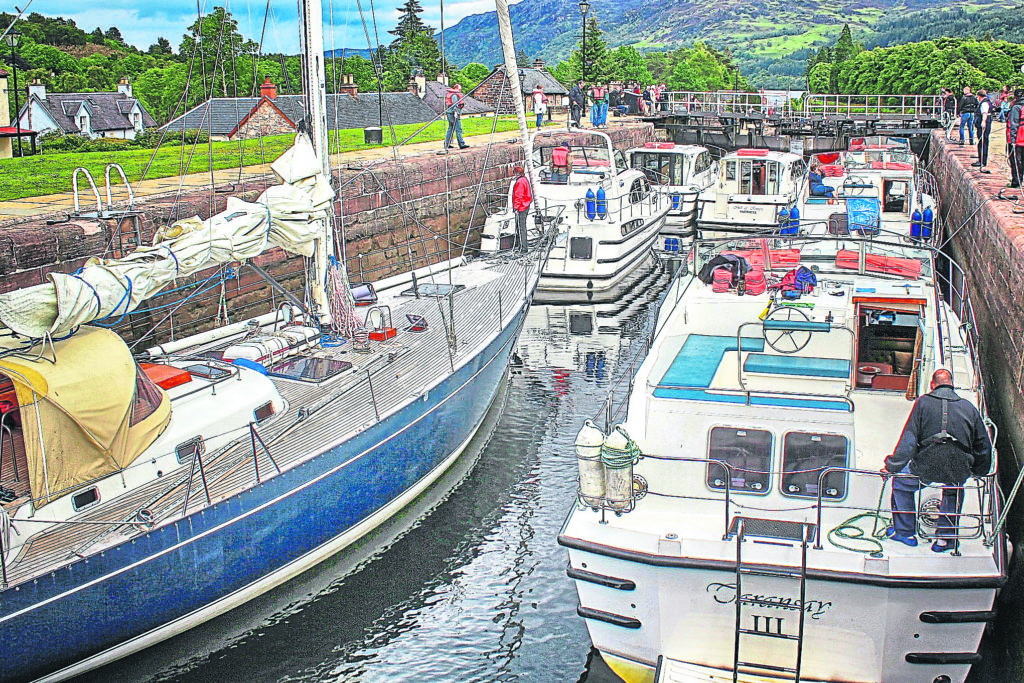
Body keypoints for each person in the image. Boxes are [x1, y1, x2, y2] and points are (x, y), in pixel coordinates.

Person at [883, 369, 992, 551]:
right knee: (953, 490)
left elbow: (909, 440)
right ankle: (945, 540)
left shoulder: (923, 403)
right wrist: (980, 470)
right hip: (958, 465)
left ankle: (905, 532)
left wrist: (892, 466)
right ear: (952, 384)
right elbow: (983, 444)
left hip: (926, 464)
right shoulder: (969, 407)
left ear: (933, 385)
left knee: (902, 484)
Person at [511, 165, 533, 253]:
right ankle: (521, 246)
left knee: (521, 228)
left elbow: (518, 196)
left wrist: (516, 208)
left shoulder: (519, 182)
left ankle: (523, 248)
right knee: (521, 227)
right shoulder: (525, 180)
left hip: (521, 207)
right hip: (525, 206)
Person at [444, 83, 469, 151]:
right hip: (453, 114)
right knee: (458, 128)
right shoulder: (454, 95)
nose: (460, 90)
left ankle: (447, 144)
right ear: (456, 88)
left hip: (450, 113)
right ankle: (461, 144)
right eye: (459, 89)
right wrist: (455, 112)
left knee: (451, 128)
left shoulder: (452, 94)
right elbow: (454, 104)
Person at [973, 89, 992, 173]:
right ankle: (981, 160)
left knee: (983, 142)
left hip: (984, 125)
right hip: (983, 124)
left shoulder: (984, 103)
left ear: (979, 96)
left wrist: (983, 122)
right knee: (982, 142)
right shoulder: (986, 102)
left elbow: (984, 113)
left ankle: (982, 161)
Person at [1009, 89, 1023, 189]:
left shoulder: (1016, 107)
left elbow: (1014, 123)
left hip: (1019, 137)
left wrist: (1012, 140)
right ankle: (1020, 179)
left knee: (1016, 160)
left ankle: (1016, 181)